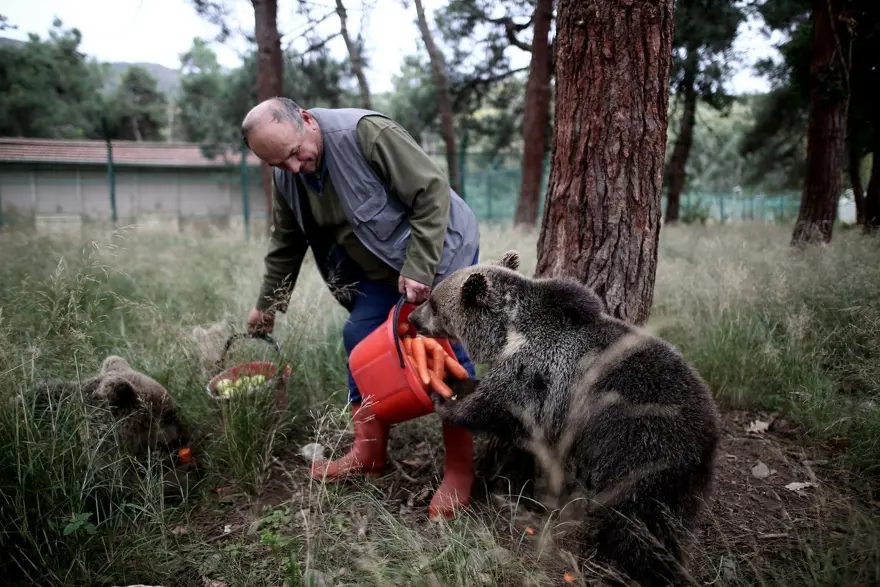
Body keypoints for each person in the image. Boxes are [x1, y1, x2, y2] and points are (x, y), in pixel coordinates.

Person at [240, 97, 480, 519]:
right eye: (281, 164)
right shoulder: (289, 176)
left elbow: (431, 192)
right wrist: (268, 306)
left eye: (296, 154)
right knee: (358, 338)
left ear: (308, 121)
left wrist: (420, 268)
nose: (295, 168)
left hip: (439, 253)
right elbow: (286, 243)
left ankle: (460, 470)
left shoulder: (366, 134)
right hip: (375, 272)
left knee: (445, 352)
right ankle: (368, 453)